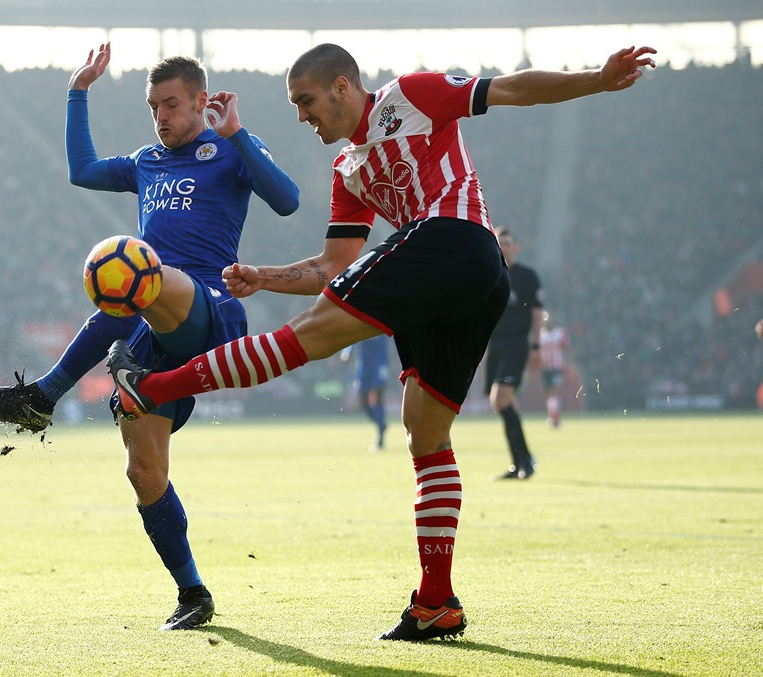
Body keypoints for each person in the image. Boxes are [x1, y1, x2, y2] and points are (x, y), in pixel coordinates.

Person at [106, 43, 656, 641]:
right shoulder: (348, 172)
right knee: (425, 431)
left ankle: (153, 385)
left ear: (343, 87)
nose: (300, 116)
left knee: (309, 336)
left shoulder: (410, 95)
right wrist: (264, 276)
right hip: (467, 286)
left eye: (305, 101)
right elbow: (332, 266)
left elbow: (510, 88)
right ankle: (436, 602)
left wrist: (597, 80)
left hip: (454, 240)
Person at [0, 43, 299, 630]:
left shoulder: (228, 150)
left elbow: (288, 201)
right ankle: (192, 593)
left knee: (130, 268)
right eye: (153, 108)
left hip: (210, 306)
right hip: (150, 326)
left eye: (171, 104)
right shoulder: (146, 161)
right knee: (144, 473)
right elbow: (82, 170)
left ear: (201, 101)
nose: (161, 117)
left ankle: (44, 394)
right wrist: (77, 92)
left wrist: (240, 133)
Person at [484, 227, 542, 479]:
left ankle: (525, 461)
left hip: (516, 344)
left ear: (515, 247)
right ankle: (520, 461)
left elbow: (537, 312)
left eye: (507, 243)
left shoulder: (526, 276)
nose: (503, 247)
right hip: (495, 346)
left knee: (500, 400)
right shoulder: (490, 275)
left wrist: (536, 345)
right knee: (500, 403)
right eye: (500, 243)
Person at [341, 335, 390, 451]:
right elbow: (355, 333)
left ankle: (380, 437)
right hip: (364, 364)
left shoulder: (382, 317)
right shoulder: (363, 318)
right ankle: (381, 424)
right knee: (362, 400)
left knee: (378, 396)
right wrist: (348, 351)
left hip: (380, 362)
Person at [539, 310, 569, 428]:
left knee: (554, 392)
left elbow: (566, 348)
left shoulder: (559, 333)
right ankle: (552, 417)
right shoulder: (541, 334)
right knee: (548, 393)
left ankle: (555, 418)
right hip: (545, 368)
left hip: (556, 367)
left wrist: (570, 363)